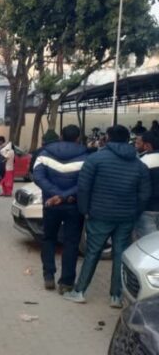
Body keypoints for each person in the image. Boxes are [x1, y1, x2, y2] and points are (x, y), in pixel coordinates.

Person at [63, 125, 151, 308]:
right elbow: (144, 194)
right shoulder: (139, 165)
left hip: (99, 214)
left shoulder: (95, 159)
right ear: (128, 139)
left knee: (93, 252)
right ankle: (116, 297)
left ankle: (79, 291)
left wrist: (85, 209)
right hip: (126, 216)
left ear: (108, 138)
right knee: (120, 254)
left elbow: (84, 187)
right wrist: (134, 212)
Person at [33, 125, 88, 293]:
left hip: (51, 204)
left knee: (49, 239)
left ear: (61, 136)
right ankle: (66, 282)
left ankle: (48, 276)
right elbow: (85, 182)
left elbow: (38, 177)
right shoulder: (86, 156)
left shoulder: (44, 154)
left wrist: (56, 195)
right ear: (78, 138)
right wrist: (65, 196)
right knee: (71, 243)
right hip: (73, 205)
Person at [136, 131, 159, 238]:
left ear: (147, 145)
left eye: (139, 143)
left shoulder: (142, 163)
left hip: (147, 209)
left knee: (149, 244)